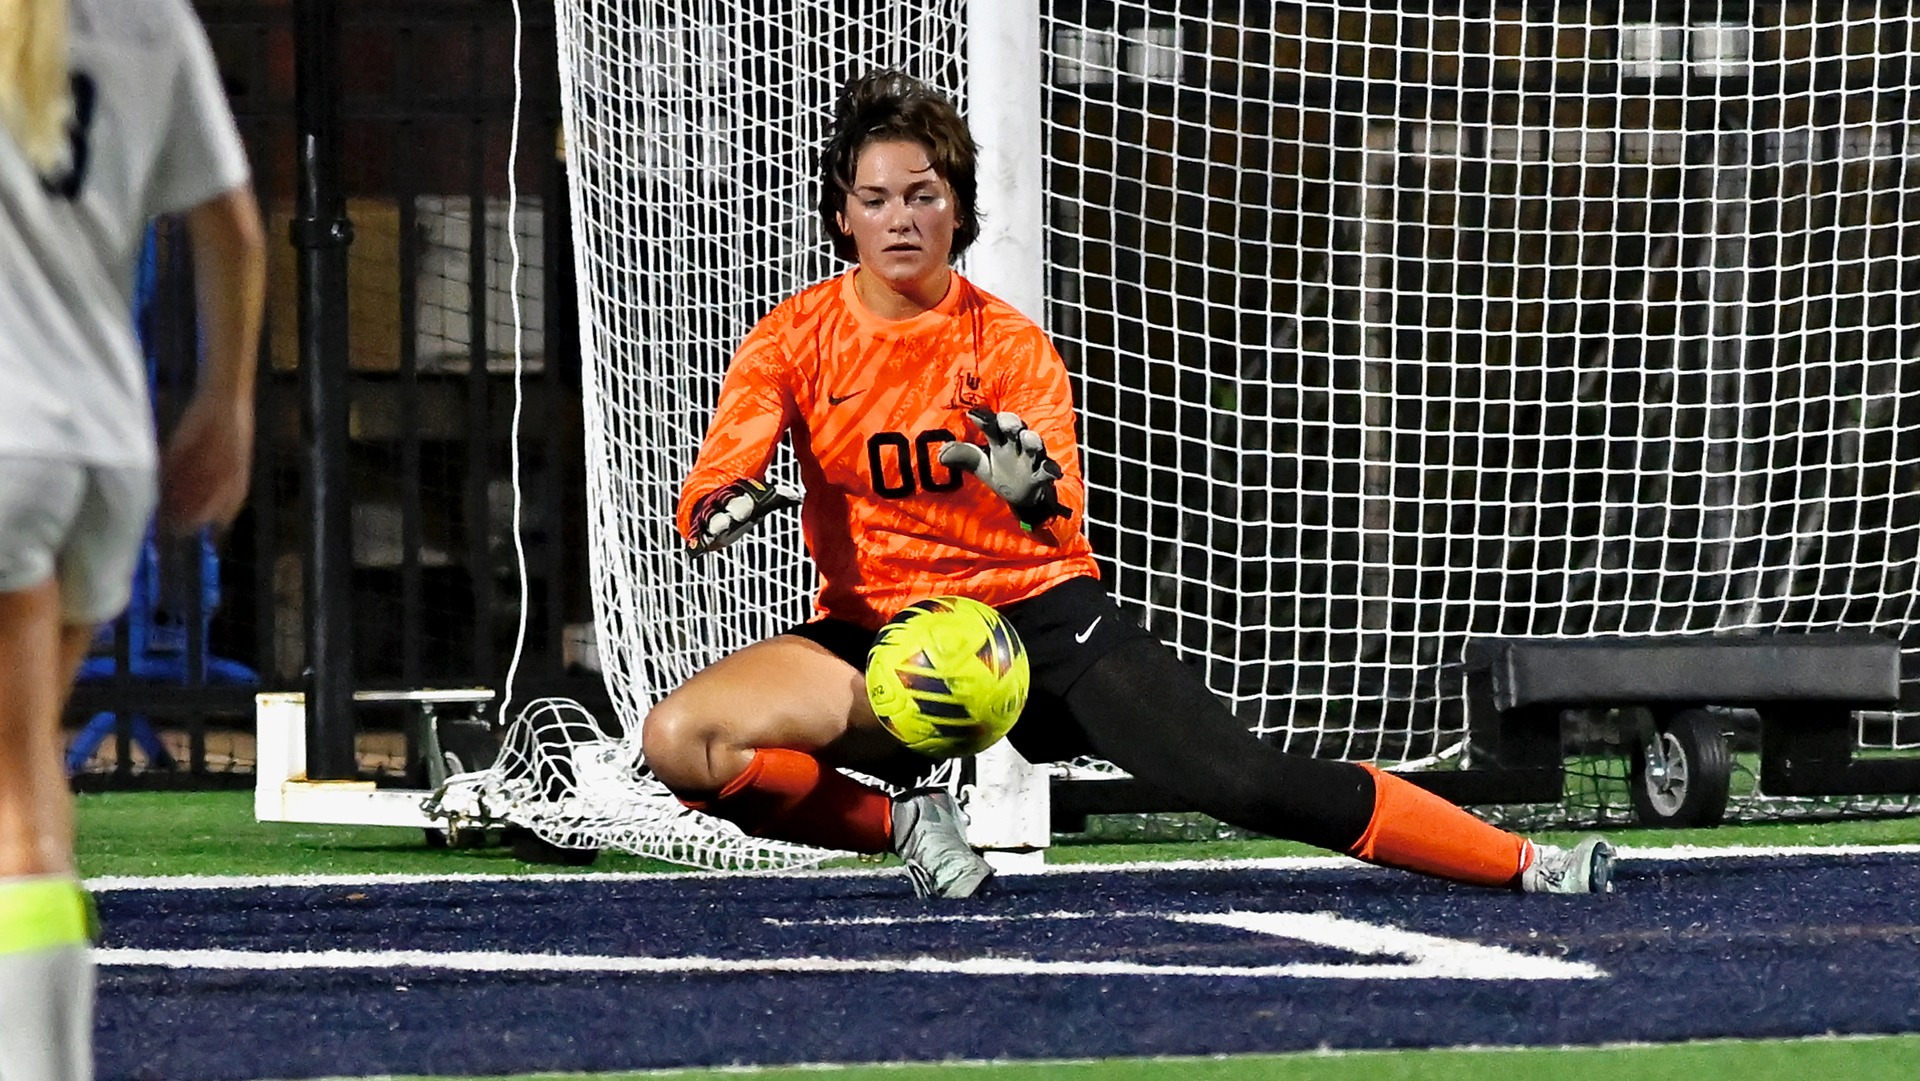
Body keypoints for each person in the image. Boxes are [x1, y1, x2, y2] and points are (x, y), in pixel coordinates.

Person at [642, 69, 1613, 901]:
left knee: (1245, 784)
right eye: (877, 196)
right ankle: (903, 826)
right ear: (841, 214)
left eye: (925, 194)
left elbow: (1058, 509)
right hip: (884, 641)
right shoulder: (793, 337)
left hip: (1037, 626)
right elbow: (720, 473)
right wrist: (720, 503)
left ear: (960, 209)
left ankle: (1526, 863)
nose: (902, 217)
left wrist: (1028, 491)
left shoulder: (1008, 345)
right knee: (686, 738)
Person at [0, 0, 263, 1075]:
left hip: (7, 437)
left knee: (12, 794)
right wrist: (227, 403)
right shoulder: (151, 20)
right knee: (29, 781)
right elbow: (235, 233)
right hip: (105, 443)